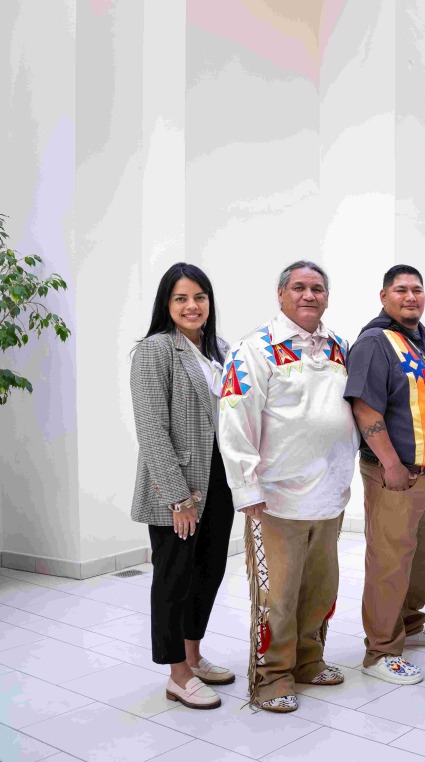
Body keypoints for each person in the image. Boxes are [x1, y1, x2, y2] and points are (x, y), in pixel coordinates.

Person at [219, 260, 358, 712]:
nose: (308, 295)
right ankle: (271, 676)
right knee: (277, 596)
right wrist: (247, 489)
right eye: (298, 287)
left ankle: (307, 660)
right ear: (280, 295)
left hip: (329, 495)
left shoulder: (338, 345)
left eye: (317, 288)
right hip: (276, 499)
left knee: (320, 588)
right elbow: (235, 418)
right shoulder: (253, 349)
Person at [344, 264, 425, 686]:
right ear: (383, 296)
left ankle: (409, 625)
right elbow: (364, 408)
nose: (411, 296)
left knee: (420, 559)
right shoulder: (376, 343)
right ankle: (380, 651)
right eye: (401, 290)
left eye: (417, 289)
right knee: (389, 562)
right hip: (397, 476)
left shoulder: (424, 339)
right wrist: (391, 464)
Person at [130, 263, 234, 710]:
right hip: (179, 489)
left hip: (222, 481)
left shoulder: (221, 350)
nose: (192, 306)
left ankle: (193, 657)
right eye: (181, 298)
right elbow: (151, 428)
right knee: (174, 578)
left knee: (209, 573)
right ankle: (176, 674)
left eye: (200, 297)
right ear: (166, 305)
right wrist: (178, 497)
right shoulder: (155, 351)